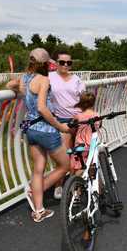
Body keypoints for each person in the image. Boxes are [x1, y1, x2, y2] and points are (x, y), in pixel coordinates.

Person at [7, 48, 70, 223]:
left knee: (38, 168)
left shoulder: (26, 79)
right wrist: (60, 126)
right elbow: (42, 108)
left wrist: (15, 87)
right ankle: (35, 191)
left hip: (31, 129)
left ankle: (39, 210)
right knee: (66, 165)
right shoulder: (43, 80)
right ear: (46, 64)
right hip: (46, 130)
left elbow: (9, 85)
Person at [48, 50, 85, 197]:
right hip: (62, 121)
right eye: (62, 62)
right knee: (64, 156)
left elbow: (83, 101)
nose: (65, 65)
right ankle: (59, 185)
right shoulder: (49, 78)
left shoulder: (77, 80)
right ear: (56, 63)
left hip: (78, 120)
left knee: (79, 155)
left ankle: (77, 187)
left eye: (68, 63)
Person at [70, 92, 99, 175]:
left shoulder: (78, 116)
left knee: (77, 164)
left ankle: (72, 181)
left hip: (80, 145)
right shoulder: (96, 115)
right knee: (92, 165)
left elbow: (73, 128)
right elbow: (99, 126)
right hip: (92, 145)